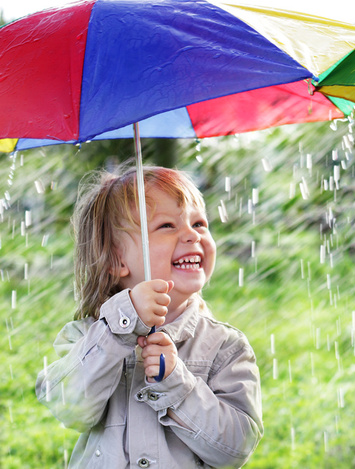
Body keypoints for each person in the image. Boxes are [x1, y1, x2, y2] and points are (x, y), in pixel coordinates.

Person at [36, 164, 263, 468]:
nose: (191, 236)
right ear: (117, 260)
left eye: (198, 223)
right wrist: (120, 328)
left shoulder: (224, 348)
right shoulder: (87, 336)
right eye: (167, 226)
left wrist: (176, 384)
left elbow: (235, 448)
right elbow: (69, 406)